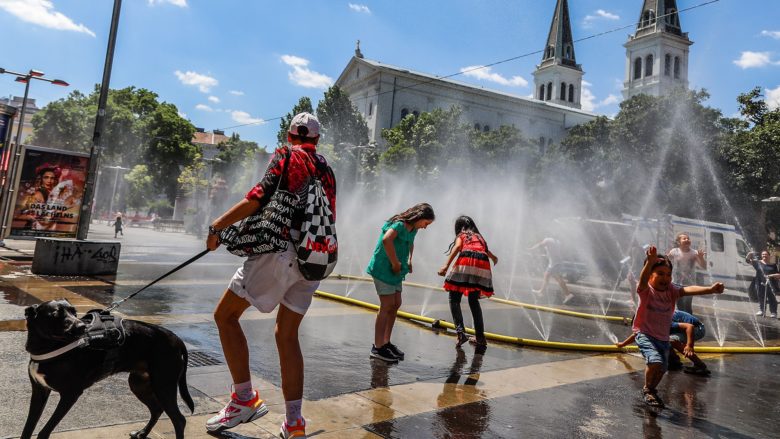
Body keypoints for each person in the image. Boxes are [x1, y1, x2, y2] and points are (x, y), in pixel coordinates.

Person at [204, 112, 336, 438]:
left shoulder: (286, 155)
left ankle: (244, 399)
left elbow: (258, 196)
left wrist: (217, 226)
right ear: (316, 139)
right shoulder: (326, 169)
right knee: (286, 335)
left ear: (290, 135)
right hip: (312, 260)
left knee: (225, 316)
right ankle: (294, 423)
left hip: (278, 254)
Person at [630, 245, 723, 408]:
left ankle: (651, 389)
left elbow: (688, 289)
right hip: (646, 334)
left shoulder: (671, 290)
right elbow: (643, 280)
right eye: (660, 274)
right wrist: (649, 262)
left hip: (663, 338)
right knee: (655, 361)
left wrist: (710, 289)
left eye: (668, 274)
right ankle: (647, 389)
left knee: (663, 368)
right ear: (650, 275)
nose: (665, 278)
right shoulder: (646, 291)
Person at [366, 203, 435, 363]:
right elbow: (386, 240)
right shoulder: (399, 224)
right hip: (383, 268)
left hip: (396, 270)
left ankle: (386, 342)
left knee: (396, 303)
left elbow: (410, 243)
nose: (426, 227)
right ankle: (377, 347)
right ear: (418, 217)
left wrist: (409, 259)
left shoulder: (414, 228)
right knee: (387, 305)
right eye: (426, 223)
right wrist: (395, 262)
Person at [438, 216, 498, 348]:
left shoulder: (462, 234)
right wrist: (494, 258)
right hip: (482, 264)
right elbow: (485, 251)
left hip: (467, 260)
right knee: (473, 301)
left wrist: (445, 266)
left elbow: (458, 246)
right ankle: (481, 338)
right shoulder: (479, 236)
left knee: (454, 298)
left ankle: (461, 333)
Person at [616, 309, 710, 376]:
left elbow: (690, 327)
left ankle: (700, 366)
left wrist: (689, 345)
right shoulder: (651, 320)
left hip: (697, 329)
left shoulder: (663, 320)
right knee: (663, 338)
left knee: (670, 340)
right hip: (685, 329)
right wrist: (622, 344)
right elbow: (638, 334)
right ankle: (674, 362)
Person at [666, 233, 706, 313]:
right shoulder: (674, 251)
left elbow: (704, 266)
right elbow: (666, 262)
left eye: (688, 238)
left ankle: (688, 321)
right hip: (676, 282)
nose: (687, 240)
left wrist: (701, 258)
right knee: (678, 304)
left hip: (689, 283)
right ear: (678, 242)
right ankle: (680, 321)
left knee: (687, 304)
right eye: (684, 239)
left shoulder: (694, 253)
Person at [528, 236, 574, 304]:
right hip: (555, 262)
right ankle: (541, 291)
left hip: (554, 263)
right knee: (546, 275)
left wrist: (531, 249)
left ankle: (568, 294)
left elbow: (540, 244)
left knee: (558, 278)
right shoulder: (557, 241)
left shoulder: (548, 240)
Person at [746, 250, 779, 318]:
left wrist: (770, 276)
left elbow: (778, 274)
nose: (764, 256)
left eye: (766, 254)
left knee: (771, 297)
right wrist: (749, 254)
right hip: (760, 282)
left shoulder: (773, 265)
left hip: (771, 283)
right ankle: (762, 310)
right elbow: (747, 260)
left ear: (769, 256)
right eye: (763, 254)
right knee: (761, 296)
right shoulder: (758, 263)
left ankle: (773, 312)